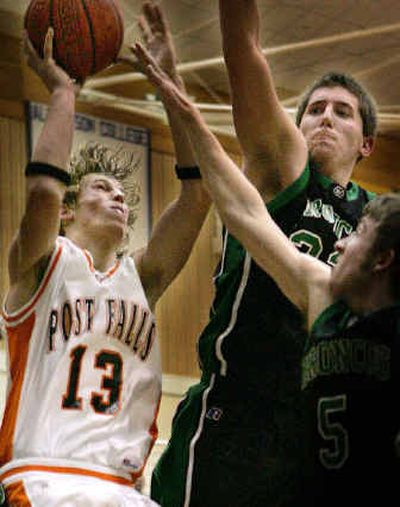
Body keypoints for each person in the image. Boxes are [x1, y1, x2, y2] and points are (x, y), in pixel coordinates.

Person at [132, 42, 400, 507]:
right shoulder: (292, 202)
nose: (327, 119)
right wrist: (185, 108)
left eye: (342, 112)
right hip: (235, 416)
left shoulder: (376, 222)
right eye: (315, 109)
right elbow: (243, 210)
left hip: (306, 450)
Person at [0, 16, 210, 506]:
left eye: (122, 194)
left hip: (121, 489)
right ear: (69, 210)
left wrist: (171, 84)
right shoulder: (39, 269)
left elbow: (197, 195)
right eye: (102, 188)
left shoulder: (144, 278)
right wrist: (63, 94)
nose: (117, 197)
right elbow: (43, 189)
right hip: (45, 478)